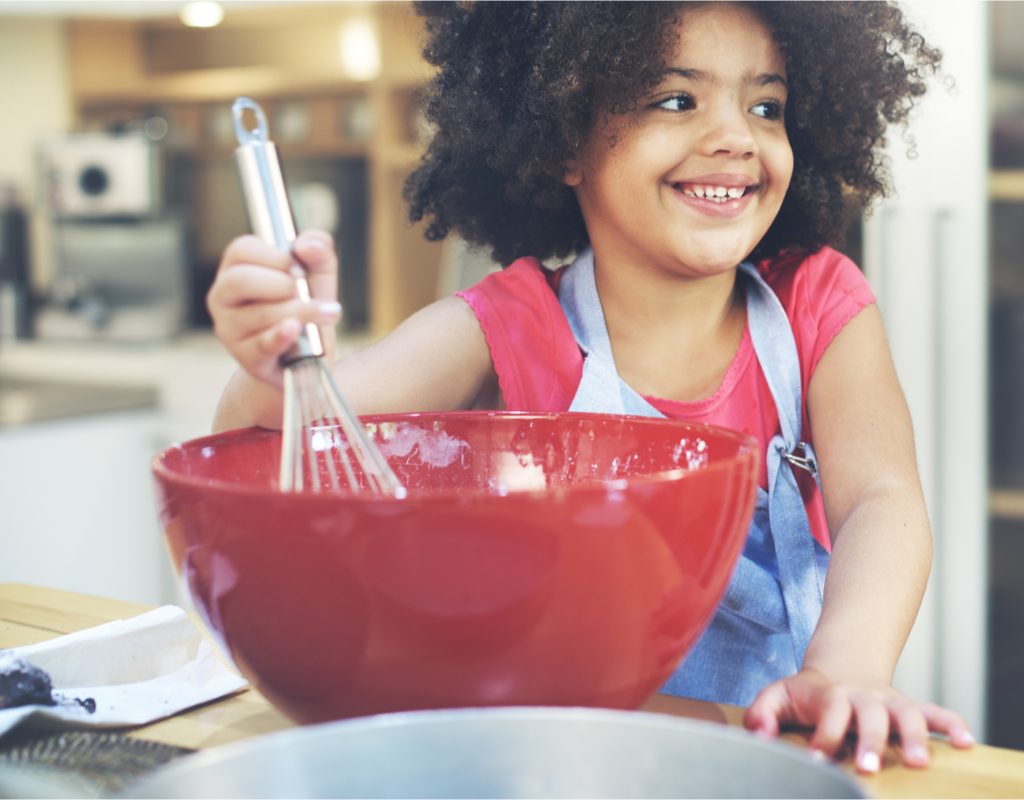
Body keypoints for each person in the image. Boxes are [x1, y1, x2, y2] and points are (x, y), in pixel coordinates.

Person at [207, 1, 975, 773]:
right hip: (570, 764)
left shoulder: (818, 303)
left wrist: (844, 672)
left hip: (776, 752)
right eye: (677, 99)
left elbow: (881, 498)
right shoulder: (505, 325)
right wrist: (278, 361)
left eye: (765, 106)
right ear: (566, 137)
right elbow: (292, 430)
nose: (737, 137)